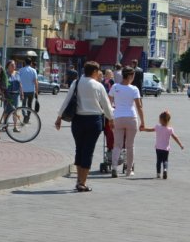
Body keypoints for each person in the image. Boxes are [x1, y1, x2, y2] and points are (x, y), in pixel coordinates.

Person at [55, 61, 114, 192]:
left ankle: (79, 180)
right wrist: (111, 119)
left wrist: (59, 117)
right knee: (88, 151)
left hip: (78, 121)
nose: (99, 73)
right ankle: (82, 182)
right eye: (98, 71)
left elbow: (67, 100)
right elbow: (106, 105)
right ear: (94, 72)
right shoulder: (98, 86)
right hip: (94, 121)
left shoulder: (76, 83)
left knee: (79, 149)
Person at [109, 66, 146, 177]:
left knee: (117, 145)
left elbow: (108, 102)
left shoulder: (115, 87)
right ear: (130, 76)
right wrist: (143, 122)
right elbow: (139, 107)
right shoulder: (134, 89)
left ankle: (114, 167)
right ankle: (129, 170)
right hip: (131, 118)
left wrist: (110, 116)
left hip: (118, 117)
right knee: (130, 145)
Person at [141, 110, 184, 179]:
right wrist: (180, 145)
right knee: (165, 160)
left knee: (158, 161)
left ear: (160, 119)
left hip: (158, 148)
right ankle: (165, 169)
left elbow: (150, 130)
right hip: (166, 149)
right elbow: (175, 138)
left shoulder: (157, 127)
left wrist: (143, 129)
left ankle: (158, 174)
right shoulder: (170, 129)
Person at [4, 60, 24, 133]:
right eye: (12, 65)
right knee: (6, 111)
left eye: (14, 65)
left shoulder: (17, 73)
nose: (14, 66)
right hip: (7, 95)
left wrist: (22, 93)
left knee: (15, 111)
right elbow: (3, 85)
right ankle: (5, 125)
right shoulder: (5, 74)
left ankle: (15, 127)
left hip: (16, 95)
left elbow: (20, 84)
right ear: (8, 66)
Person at [18, 57, 38, 122]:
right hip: (31, 91)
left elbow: (19, 81)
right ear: (31, 63)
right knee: (30, 105)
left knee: (23, 105)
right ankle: (28, 117)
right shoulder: (33, 70)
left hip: (23, 91)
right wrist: (37, 92)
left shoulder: (20, 70)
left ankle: (25, 115)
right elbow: (35, 82)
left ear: (25, 62)